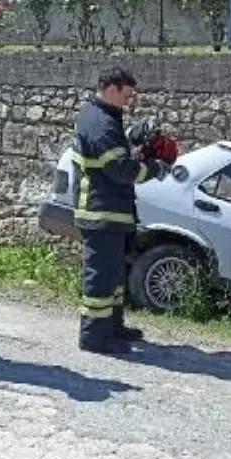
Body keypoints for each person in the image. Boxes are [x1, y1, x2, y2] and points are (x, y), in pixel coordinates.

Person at [71, 67, 170, 355]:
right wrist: (153, 169)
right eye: (126, 96)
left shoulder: (102, 117)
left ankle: (112, 328)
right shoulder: (100, 122)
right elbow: (118, 169)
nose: (128, 102)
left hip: (111, 212)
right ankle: (94, 337)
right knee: (101, 278)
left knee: (113, 276)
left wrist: (131, 138)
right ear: (112, 89)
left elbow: (113, 152)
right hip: (101, 212)